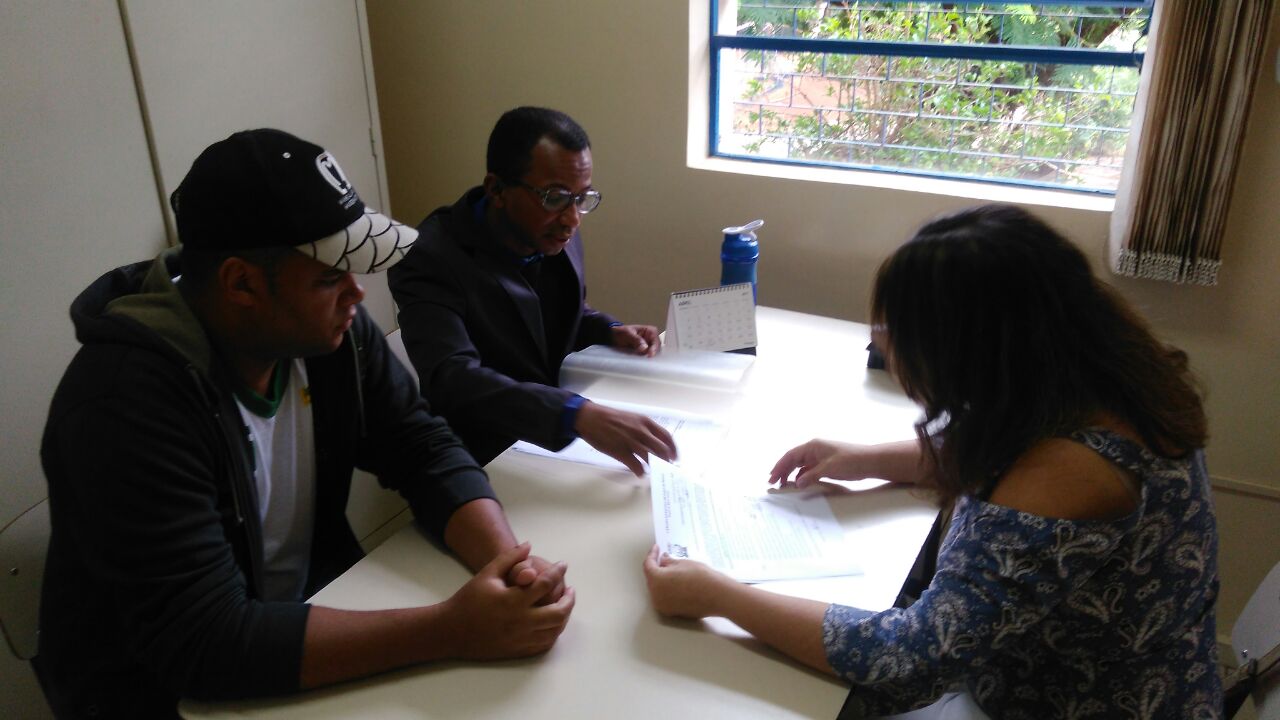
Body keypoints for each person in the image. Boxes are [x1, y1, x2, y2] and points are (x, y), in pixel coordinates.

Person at [36, 129, 574, 718]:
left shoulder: (328, 334)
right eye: (328, 277)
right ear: (241, 283)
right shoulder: (124, 404)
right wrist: (451, 629)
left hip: (294, 623)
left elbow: (421, 446)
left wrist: (507, 564)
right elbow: (204, 642)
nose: (356, 292)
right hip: (160, 695)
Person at [643, 205, 1222, 718]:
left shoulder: (1070, 472)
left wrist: (719, 596)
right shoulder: (1104, 379)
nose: (888, 345)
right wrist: (868, 458)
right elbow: (1005, 445)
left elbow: (910, 658)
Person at [388, 107, 677, 474]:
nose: (572, 219)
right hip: (480, 457)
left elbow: (548, 314)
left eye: (582, 198)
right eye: (555, 197)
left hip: (555, 443)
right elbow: (452, 377)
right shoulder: (428, 257)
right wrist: (575, 414)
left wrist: (608, 330)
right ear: (496, 189)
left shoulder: (551, 227)